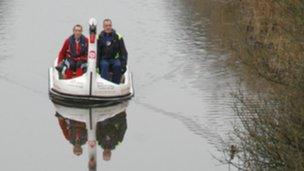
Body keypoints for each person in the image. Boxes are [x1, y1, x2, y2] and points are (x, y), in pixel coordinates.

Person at [97, 19, 128, 84]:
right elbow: (97, 53)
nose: (108, 27)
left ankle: (115, 85)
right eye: (106, 26)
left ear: (111, 26)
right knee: (104, 65)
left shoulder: (118, 37)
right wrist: (97, 66)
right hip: (104, 59)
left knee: (118, 65)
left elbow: (123, 52)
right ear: (103, 27)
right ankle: (105, 84)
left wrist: (123, 65)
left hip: (114, 59)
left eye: (109, 25)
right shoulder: (99, 37)